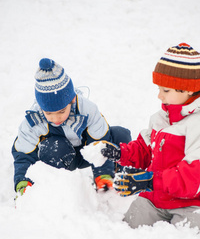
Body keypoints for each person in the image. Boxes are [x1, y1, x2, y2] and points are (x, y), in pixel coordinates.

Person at [101, 43, 200, 229]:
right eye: (159, 89)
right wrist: (120, 153)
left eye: (166, 90)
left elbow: (193, 176)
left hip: (191, 203)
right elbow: (145, 150)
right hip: (155, 199)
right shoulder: (160, 119)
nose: (159, 96)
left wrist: (149, 180)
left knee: (187, 235)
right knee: (130, 228)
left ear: (187, 89)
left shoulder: (197, 125)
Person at [12, 58, 131, 196]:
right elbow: (24, 154)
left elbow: (101, 144)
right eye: (49, 113)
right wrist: (23, 181)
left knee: (120, 135)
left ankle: (116, 180)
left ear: (72, 100)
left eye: (62, 111)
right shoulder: (34, 121)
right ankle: (58, 189)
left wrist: (103, 173)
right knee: (53, 147)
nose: (56, 119)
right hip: (60, 157)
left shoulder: (88, 110)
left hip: (88, 151)